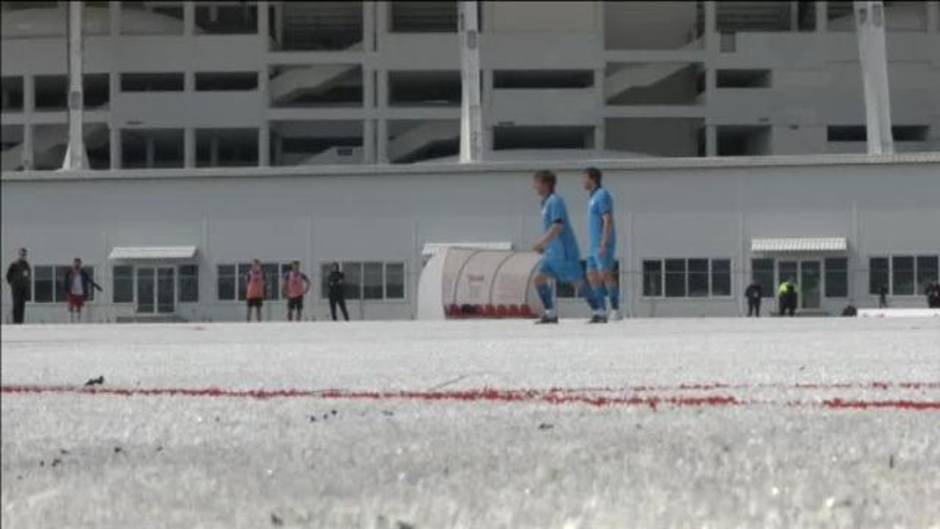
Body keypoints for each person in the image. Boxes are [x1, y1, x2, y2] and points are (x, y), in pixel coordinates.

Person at [531, 169, 588, 324]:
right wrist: (546, 246)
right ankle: (550, 314)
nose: (534, 186)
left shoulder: (555, 201)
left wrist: (541, 242)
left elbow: (558, 225)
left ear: (546, 184)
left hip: (564, 251)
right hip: (552, 252)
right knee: (539, 279)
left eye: (537, 182)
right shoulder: (544, 203)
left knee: (577, 283)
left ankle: (600, 310)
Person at [582, 167, 619, 323]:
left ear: (593, 178)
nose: (583, 181)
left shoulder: (602, 195)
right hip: (593, 245)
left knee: (605, 274)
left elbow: (607, 219)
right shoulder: (592, 197)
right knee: (591, 275)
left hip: (602, 243)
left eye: (585, 178)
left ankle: (616, 310)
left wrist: (604, 242)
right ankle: (601, 311)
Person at [63, 258, 102, 323]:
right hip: (71, 292)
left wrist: (97, 286)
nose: (77, 264)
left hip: (80, 293)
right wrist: (66, 290)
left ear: (80, 264)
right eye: (76, 263)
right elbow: (65, 282)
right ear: (73, 263)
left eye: (79, 263)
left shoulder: (83, 273)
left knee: (79, 307)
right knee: (71, 306)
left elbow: (89, 280)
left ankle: (78, 321)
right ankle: (70, 321)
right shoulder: (69, 272)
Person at [6, 247, 31, 324]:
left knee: (22, 306)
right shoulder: (14, 264)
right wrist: (13, 284)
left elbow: (28, 279)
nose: (23, 256)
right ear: (19, 254)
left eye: (24, 254)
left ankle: (20, 322)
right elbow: (8, 276)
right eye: (22, 254)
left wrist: (28, 291)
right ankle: (15, 322)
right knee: (16, 305)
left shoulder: (27, 265)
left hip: (23, 290)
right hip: (16, 290)